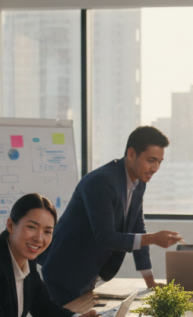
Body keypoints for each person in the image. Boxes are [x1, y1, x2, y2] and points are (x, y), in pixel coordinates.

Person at [41, 126, 182, 304]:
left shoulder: (139, 183)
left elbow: (138, 228)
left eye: (159, 162)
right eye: (151, 160)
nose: (155, 168)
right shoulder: (101, 182)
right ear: (131, 154)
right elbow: (106, 238)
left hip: (90, 272)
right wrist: (154, 238)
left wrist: (150, 281)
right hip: (66, 271)